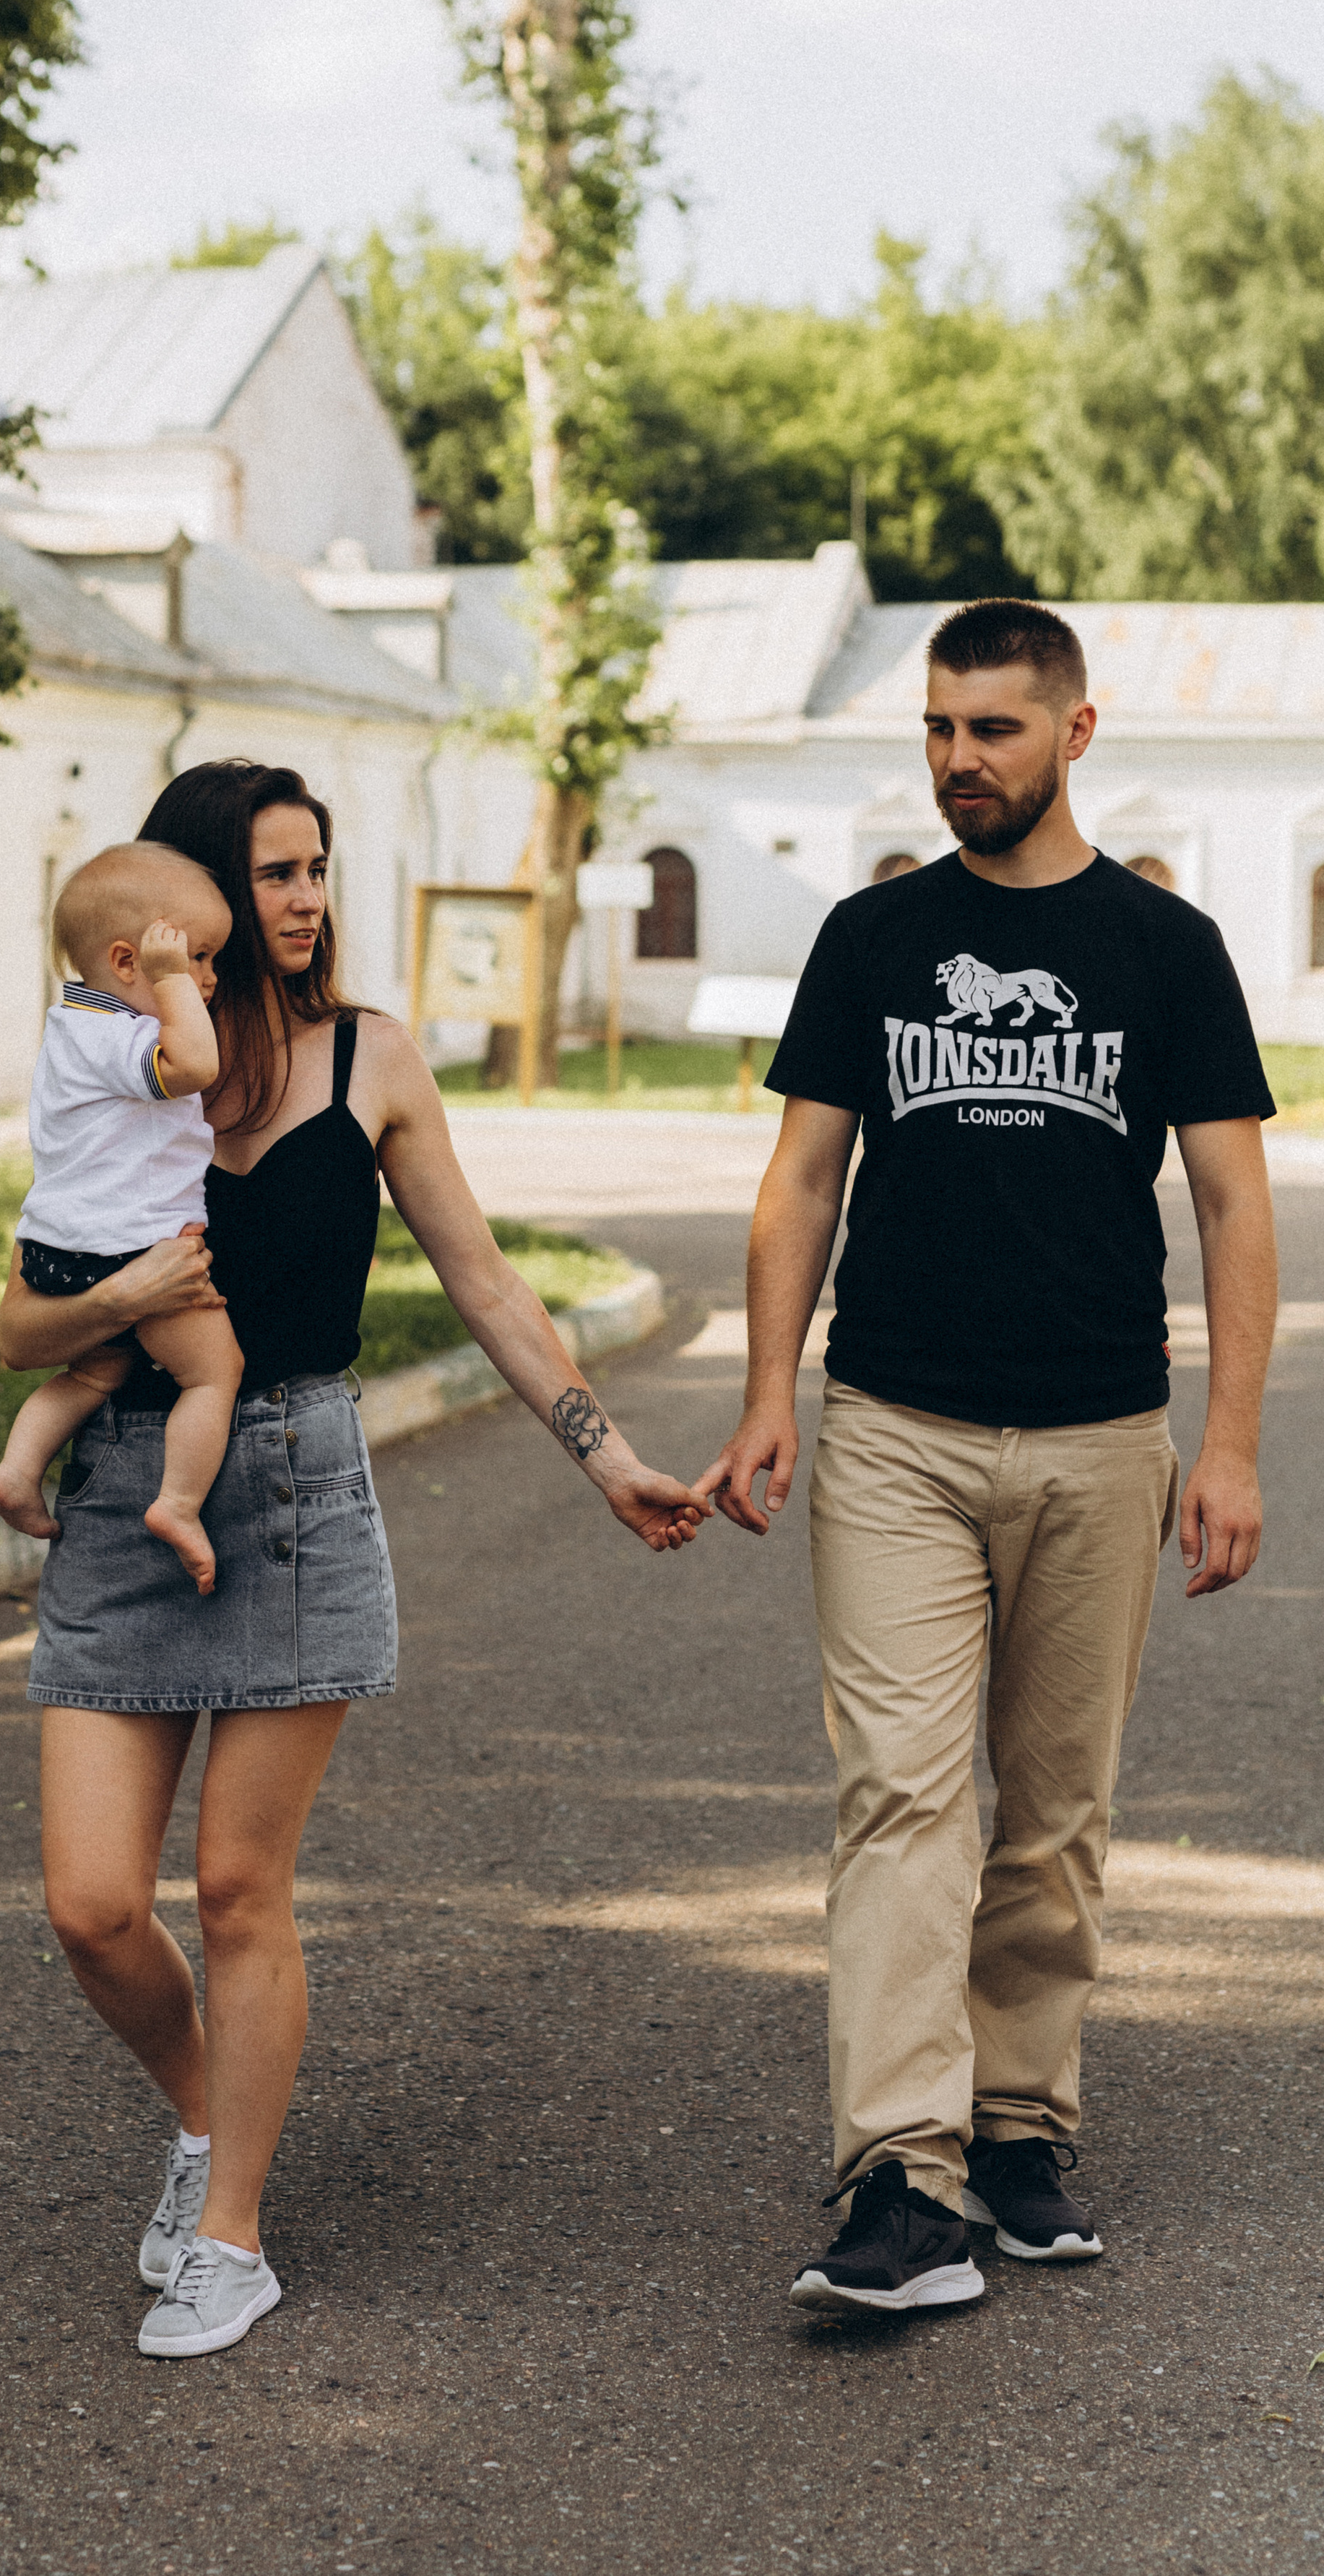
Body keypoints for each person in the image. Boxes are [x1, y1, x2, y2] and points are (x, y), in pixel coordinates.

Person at [0, 758, 704, 2359]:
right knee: (93, 1907)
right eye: (269, 873)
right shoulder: (115, 1061)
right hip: (126, 1491)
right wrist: (118, 1307)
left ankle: (230, 2234)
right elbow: (23, 1317)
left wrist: (602, 1457)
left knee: (239, 1888)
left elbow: (485, 1284)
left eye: (315, 867)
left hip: (297, 1486)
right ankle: (208, 2120)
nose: (305, 898)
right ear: (174, 912)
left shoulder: (367, 1060)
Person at [698, 599, 1277, 2314]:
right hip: (893, 1427)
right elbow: (799, 1181)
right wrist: (761, 1393)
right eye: (940, 730)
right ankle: (900, 2170)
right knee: (898, 1793)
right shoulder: (872, 940)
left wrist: (1226, 1443)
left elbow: (1233, 1199)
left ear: (1073, 735)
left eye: (993, 731)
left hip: (1101, 1431)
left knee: (1054, 1812)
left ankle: (1017, 2125)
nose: (958, 761)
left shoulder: (1161, 950)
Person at [0, 842, 244, 1594]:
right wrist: (174, 989)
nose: (210, 979)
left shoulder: (69, 1027)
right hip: (130, 1252)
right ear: (128, 964)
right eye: (197, 959)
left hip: (57, 1248)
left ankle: (18, 1468)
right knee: (213, 1373)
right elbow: (195, 1067)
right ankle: (179, 1504)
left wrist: (174, 976)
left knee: (95, 1368)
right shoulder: (122, 1037)